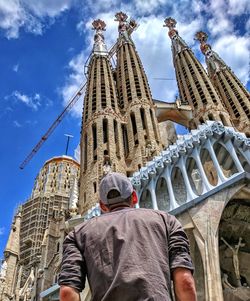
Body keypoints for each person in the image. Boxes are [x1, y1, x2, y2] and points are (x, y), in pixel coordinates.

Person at [59, 172, 197, 301]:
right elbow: (185, 282)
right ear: (134, 197)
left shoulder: (77, 235)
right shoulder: (167, 221)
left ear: (102, 205)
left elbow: (67, 293)